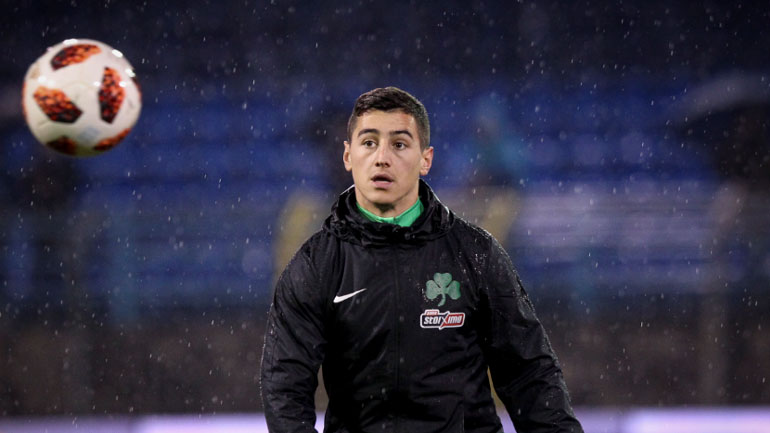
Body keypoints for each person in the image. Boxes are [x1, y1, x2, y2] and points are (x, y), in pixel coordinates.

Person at [260, 87, 583, 433]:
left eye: (399, 144)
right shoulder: (315, 264)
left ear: (426, 159)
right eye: (369, 143)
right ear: (348, 156)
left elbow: (530, 373)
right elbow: (285, 386)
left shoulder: (476, 254)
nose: (382, 158)